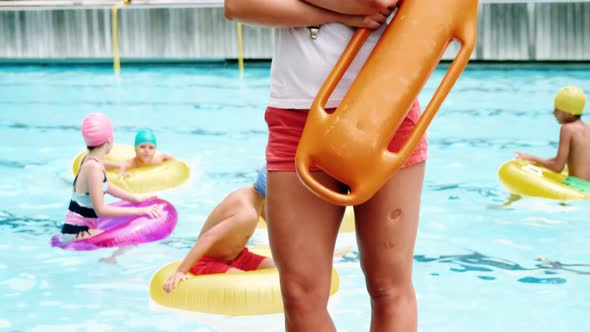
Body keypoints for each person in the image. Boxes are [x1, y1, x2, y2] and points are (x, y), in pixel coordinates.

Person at [224, 1, 427, 331]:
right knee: (300, 294)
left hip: (387, 107)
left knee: (388, 287)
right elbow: (239, 5)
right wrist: (340, 12)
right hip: (296, 112)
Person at [162, 167, 275, 294]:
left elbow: (273, 228)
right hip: (207, 262)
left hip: (240, 256)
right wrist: (180, 271)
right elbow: (208, 237)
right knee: (249, 284)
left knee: (277, 270)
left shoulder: (257, 198)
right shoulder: (245, 212)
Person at [62, 113, 162, 241]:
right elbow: (101, 210)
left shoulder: (93, 160)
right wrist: (140, 211)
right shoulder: (94, 167)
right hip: (76, 232)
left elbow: (105, 186)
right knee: (129, 241)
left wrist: (135, 199)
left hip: (82, 227)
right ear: (110, 139)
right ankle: (110, 261)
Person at [516, 86, 590, 192]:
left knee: (520, 187)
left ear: (569, 113)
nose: (554, 113)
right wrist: (540, 162)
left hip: (574, 187)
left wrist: (531, 157)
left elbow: (558, 167)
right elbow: (574, 159)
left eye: (557, 110)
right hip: (588, 189)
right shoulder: (588, 128)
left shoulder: (567, 129)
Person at [105, 129, 175, 177]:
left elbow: (164, 156)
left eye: (151, 148)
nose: (146, 150)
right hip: (122, 164)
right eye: (142, 147)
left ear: (155, 150)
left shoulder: (156, 160)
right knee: (117, 165)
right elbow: (122, 166)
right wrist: (122, 173)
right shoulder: (132, 163)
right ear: (135, 149)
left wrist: (173, 161)